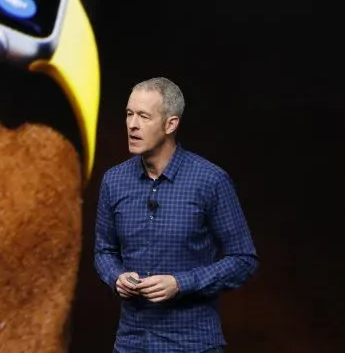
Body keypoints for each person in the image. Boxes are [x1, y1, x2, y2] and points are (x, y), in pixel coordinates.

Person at [94, 77, 259, 352]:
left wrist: (181, 283)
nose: (132, 124)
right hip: (132, 342)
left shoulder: (210, 180)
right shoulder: (114, 181)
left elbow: (244, 260)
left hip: (192, 343)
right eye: (129, 114)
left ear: (170, 124)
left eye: (144, 116)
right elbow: (104, 251)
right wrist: (116, 277)